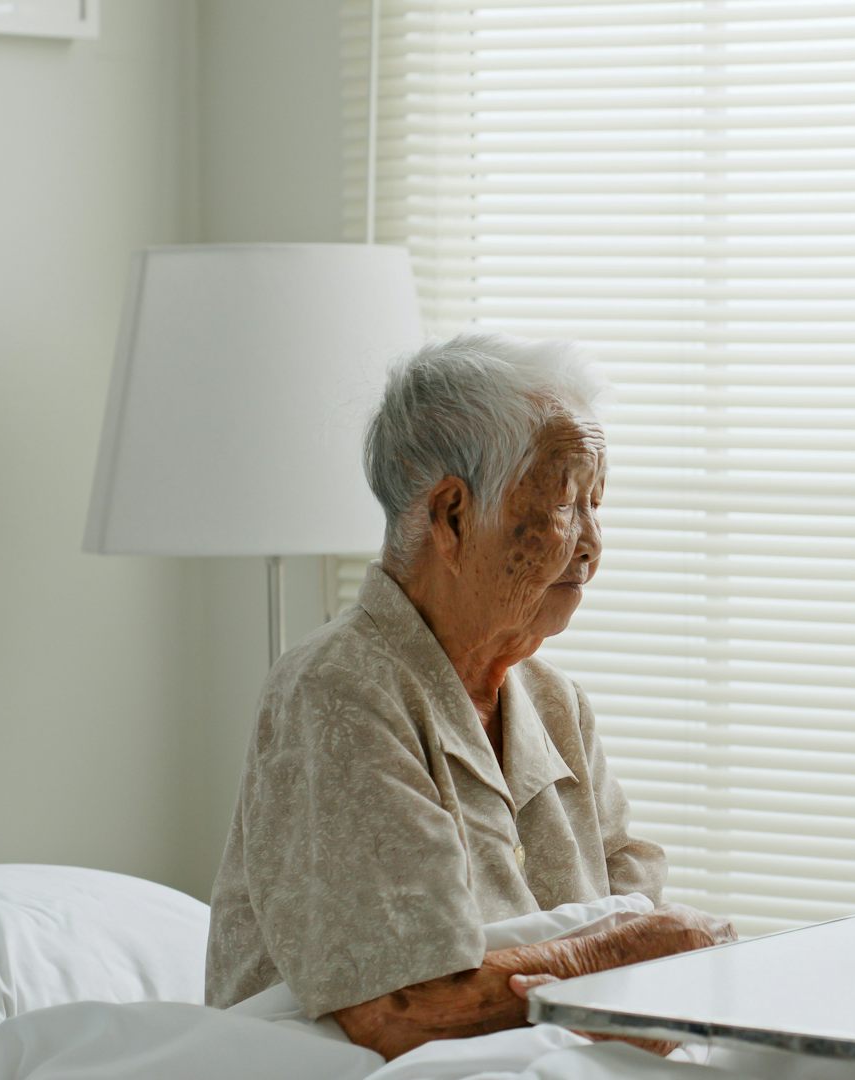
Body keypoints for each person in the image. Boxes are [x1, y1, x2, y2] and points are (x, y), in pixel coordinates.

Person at [206, 332, 732, 1060]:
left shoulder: (557, 705)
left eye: (597, 504)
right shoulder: (336, 692)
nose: (591, 543)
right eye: (565, 502)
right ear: (453, 516)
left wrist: (641, 956)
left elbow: (643, 925)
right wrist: (609, 957)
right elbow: (401, 1012)